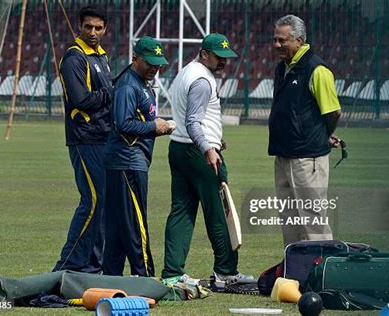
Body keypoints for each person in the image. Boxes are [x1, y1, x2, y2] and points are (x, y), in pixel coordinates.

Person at [162, 33, 253, 284]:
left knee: (181, 212)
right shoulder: (203, 80)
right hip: (199, 154)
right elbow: (193, 122)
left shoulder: (186, 72)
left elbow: (188, 119)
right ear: (204, 54)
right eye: (218, 57)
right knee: (219, 212)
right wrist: (209, 148)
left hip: (178, 148)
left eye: (226, 57)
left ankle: (172, 273)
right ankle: (226, 272)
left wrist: (213, 137)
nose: (223, 62)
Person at [268, 15, 342, 247]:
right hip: (283, 155)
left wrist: (323, 134)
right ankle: (295, 271)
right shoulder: (283, 68)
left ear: (299, 40)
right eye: (275, 39)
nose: (277, 45)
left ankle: (321, 272)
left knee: (312, 219)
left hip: (307, 158)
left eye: (283, 40)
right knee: (289, 219)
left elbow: (333, 112)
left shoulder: (317, 70)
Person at [102, 36, 172, 277]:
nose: (155, 68)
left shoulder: (141, 82)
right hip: (127, 163)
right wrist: (155, 127)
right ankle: (145, 277)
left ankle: (110, 277)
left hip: (130, 162)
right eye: (150, 62)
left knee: (118, 226)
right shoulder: (129, 86)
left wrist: (158, 126)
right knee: (135, 223)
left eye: (158, 63)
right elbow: (123, 123)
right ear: (135, 58)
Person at [53, 5, 112, 273]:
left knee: (102, 203)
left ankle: (93, 266)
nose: (93, 32)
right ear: (80, 26)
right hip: (84, 139)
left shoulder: (101, 56)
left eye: (98, 28)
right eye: (88, 27)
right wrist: (112, 93)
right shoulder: (74, 58)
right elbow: (81, 100)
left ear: (105, 29)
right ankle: (68, 265)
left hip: (103, 138)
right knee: (93, 200)